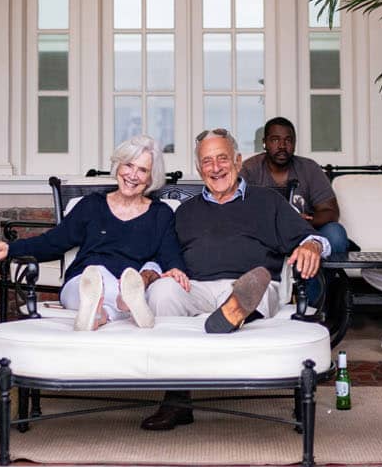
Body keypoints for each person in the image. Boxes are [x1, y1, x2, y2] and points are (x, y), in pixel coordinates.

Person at [139, 127, 329, 431]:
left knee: (260, 285)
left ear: (238, 161)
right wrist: (151, 273)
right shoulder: (185, 211)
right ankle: (177, 398)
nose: (216, 168)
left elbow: (312, 237)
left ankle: (236, 307)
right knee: (163, 291)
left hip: (251, 283)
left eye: (222, 159)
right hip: (197, 288)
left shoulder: (268, 201)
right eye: (207, 162)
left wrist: (312, 246)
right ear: (199, 169)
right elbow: (163, 254)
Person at [0, 134, 187, 331]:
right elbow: (53, 242)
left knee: (130, 284)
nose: (132, 175)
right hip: (85, 279)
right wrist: (10, 249)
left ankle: (101, 314)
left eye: (142, 170)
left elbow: (169, 254)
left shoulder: (160, 214)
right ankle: (120, 305)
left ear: (151, 178)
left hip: (129, 281)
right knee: (92, 282)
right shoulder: (91, 206)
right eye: (129, 165)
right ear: (118, 166)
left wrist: (176, 269)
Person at [240, 116, 349, 265]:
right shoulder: (250, 169)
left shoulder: (309, 168)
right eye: (275, 140)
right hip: (265, 235)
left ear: (295, 143)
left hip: (306, 234)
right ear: (264, 143)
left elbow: (331, 212)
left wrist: (300, 224)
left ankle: (317, 285)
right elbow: (238, 212)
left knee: (336, 233)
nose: (282, 146)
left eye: (288, 140)